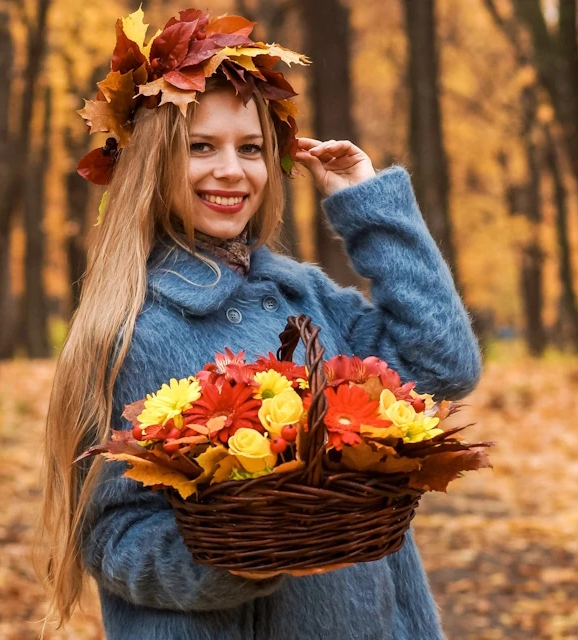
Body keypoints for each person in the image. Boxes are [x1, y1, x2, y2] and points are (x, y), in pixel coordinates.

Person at [35, 8, 482, 640]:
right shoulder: (130, 328)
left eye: (250, 148)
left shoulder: (306, 297)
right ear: (153, 162)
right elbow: (113, 537)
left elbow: (442, 365)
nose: (232, 171)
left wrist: (366, 202)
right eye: (201, 147)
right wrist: (237, 558)